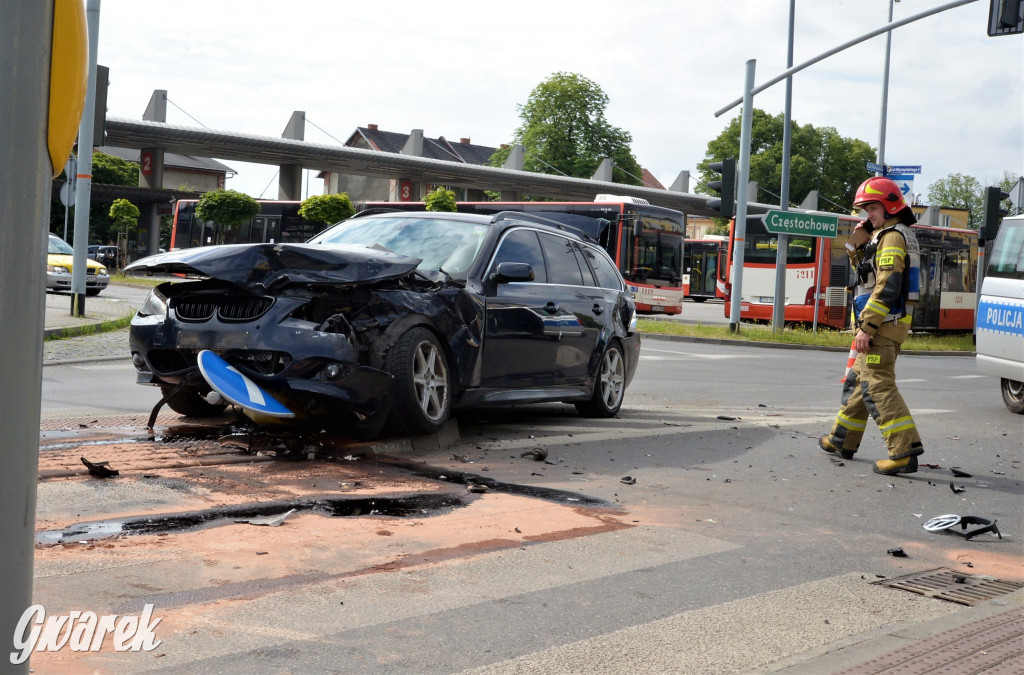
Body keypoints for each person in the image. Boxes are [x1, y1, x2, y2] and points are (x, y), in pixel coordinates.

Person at [819, 176, 924, 475]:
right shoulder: (885, 235)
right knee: (857, 384)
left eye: (872, 208)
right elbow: (866, 275)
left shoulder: (892, 236)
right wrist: (855, 243)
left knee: (878, 387)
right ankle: (842, 441)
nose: (868, 214)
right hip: (881, 325)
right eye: (865, 209)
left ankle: (903, 452)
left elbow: (887, 286)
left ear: (890, 206)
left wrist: (867, 328)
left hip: (882, 327)